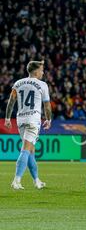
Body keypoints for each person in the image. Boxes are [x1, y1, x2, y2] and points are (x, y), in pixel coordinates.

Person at [4, 60, 52, 190]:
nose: (43, 72)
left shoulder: (18, 83)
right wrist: (49, 119)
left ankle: (37, 181)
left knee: (31, 151)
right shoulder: (42, 85)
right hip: (33, 120)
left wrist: (8, 118)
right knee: (26, 149)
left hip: (21, 120)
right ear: (36, 71)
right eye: (41, 70)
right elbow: (47, 105)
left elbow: (11, 101)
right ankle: (16, 180)